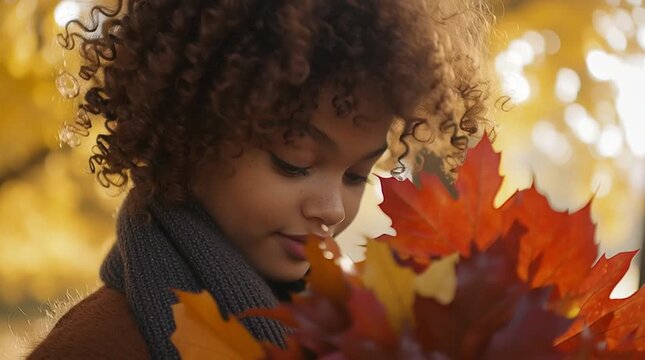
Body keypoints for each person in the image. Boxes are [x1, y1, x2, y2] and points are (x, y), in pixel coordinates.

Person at [29, 0, 493, 358]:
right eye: (294, 163)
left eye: (356, 175)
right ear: (190, 133)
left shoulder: (360, 334)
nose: (332, 209)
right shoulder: (99, 347)